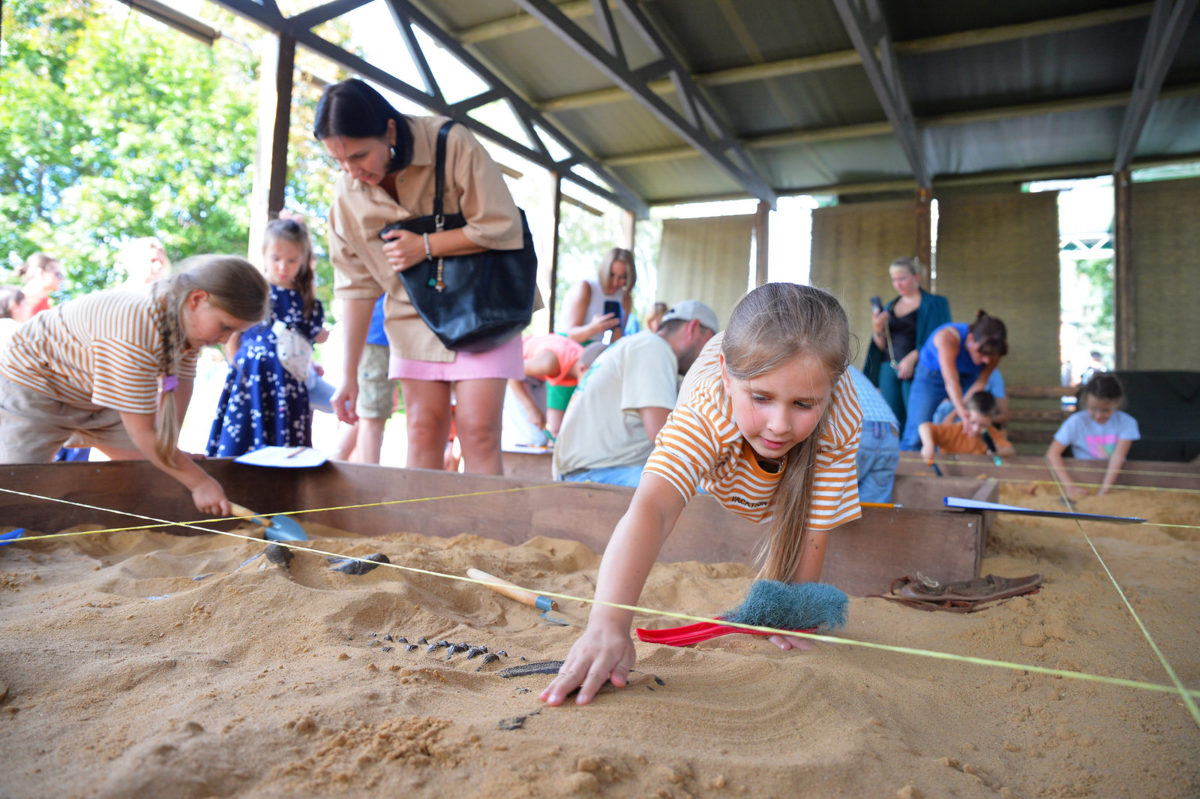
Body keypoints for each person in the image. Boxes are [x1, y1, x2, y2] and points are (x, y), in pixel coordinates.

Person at [541, 284, 862, 706]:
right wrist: (608, 623)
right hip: (724, 453)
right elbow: (652, 510)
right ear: (728, 377)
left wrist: (793, 614)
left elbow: (815, 527)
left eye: (803, 404)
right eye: (762, 398)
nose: (780, 423)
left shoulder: (841, 417)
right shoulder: (707, 408)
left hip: (779, 469)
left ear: (832, 391)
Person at [316, 78, 528, 475]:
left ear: (390, 130)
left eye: (360, 155)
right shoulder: (346, 196)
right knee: (422, 429)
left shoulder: (452, 143)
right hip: (413, 318)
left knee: (478, 431)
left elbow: (501, 224)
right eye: (338, 160)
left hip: (485, 305)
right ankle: (425, 536)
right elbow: (356, 287)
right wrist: (347, 376)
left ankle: (488, 535)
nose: (351, 171)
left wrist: (425, 246)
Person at [0, 255, 269, 515]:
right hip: (32, 385)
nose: (226, 340)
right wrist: (200, 482)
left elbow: (182, 385)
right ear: (197, 299)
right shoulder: (138, 328)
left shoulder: (185, 328)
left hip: (91, 393)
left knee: (153, 465)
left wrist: (171, 449)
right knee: (19, 484)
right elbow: (143, 433)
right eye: (225, 327)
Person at [552, 301, 719, 487]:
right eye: (711, 343)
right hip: (597, 474)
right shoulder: (654, 348)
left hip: (592, 471)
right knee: (722, 495)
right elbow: (665, 437)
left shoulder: (641, 344)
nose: (710, 356)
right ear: (693, 328)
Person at [207, 217, 326, 457]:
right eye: (276, 258)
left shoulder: (306, 300)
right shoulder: (254, 291)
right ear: (264, 254)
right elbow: (233, 335)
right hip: (252, 378)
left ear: (304, 260)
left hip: (288, 383)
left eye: (292, 260)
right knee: (243, 439)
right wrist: (238, 365)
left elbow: (312, 337)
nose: (283, 267)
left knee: (284, 446)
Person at [863, 258, 951, 430]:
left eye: (902, 278)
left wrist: (912, 358)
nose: (898, 284)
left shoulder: (936, 304)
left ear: (916, 277)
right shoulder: (889, 306)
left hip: (920, 367)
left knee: (918, 421)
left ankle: (917, 455)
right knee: (893, 421)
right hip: (888, 367)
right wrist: (877, 329)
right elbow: (881, 346)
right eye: (894, 279)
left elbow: (943, 339)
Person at [899, 310, 1008, 451]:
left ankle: (951, 470)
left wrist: (955, 413)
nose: (987, 360)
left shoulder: (993, 350)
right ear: (970, 339)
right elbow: (951, 381)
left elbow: (980, 383)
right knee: (916, 432)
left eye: (992, 356)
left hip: (969, 379)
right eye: (982, 354)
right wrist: (961, 410)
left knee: (962, 430)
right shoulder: (948, 337)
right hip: (932, 376)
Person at [1046, 373, 1140, 499]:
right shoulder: (1076, 422)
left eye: (1105, 410)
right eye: (1093, 409)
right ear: (1085, 401)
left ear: (1117, 403)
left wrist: (1104, 490)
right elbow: (1052, 453)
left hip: (1114, 481)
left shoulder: (1127, 423)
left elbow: (1118, 457)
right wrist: (1069, 486)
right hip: (1082, 478)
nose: (1098, 415)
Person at [333, 296, 399, 464]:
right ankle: (369, 484)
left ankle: (335, 464)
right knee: (372, 416)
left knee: (368, 414)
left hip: (390, 335)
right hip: (378, 334)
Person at [509, 335, 605, 438]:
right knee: (534, 438)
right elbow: (511, 371)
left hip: (535, 375)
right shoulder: (549, 363)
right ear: (582, 369)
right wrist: (531, 408)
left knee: (543, 430)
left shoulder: (580, 362)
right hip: (511, 372)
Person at [845, 365, 900, 504]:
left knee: (829, 509)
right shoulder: (850, 368)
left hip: (858, 427)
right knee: (873, 512)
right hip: (890, 429)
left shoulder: (819, 362)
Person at [562, 248, 636, 346]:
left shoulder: (625, 298)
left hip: (595, 347)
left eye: (621, 277)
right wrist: (593, 328)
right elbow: (571, 333)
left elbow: (616, 340)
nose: (615, 282)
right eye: (611, 275)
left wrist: (616, 329)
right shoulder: (586, 287)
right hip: (568, 343)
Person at [918, 390, 1016, 462]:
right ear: (966, 415)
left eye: (983, 425)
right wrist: (928, 445)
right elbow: (924, 427)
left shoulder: (991, 434)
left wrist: (999, 452)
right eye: (973, 422)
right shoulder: (955, 430)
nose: (976, 428)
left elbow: (1010, 450)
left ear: (990, 421)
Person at [933, 367, 1008, 426]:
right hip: (950, 425)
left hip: (978, 424)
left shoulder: (993, 375)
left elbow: (1003, 415)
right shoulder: (949, 369)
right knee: (945, 407)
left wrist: (978, 420)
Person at [17, 252, 64, 317]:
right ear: (41, 273)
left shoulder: (44, 304)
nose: (62, 279)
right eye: (58, 274)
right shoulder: (15, 302)